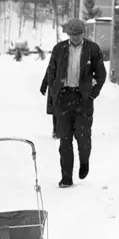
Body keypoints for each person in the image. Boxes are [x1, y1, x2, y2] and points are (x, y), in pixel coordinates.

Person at [46, 18, 107, 188]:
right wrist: (55, 90)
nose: (75, 37)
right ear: (68, 34)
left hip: (83, 100)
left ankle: (84, 161)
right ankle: (66, 177)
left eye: (78, 34)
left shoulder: (92, 49)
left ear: (83, 34)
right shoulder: (59, 49)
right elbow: (51, 71)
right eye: (72, 34)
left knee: (83, 137)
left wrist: (92, 94)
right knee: (64, 141)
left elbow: (101, 74)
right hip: (64, 99)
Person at [40, 68, 58, 138]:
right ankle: (56, 131)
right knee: (55, 112)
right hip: (54, 89)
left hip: (65, 89)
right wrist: (44, 86)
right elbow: (49, 72)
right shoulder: (54, 60)